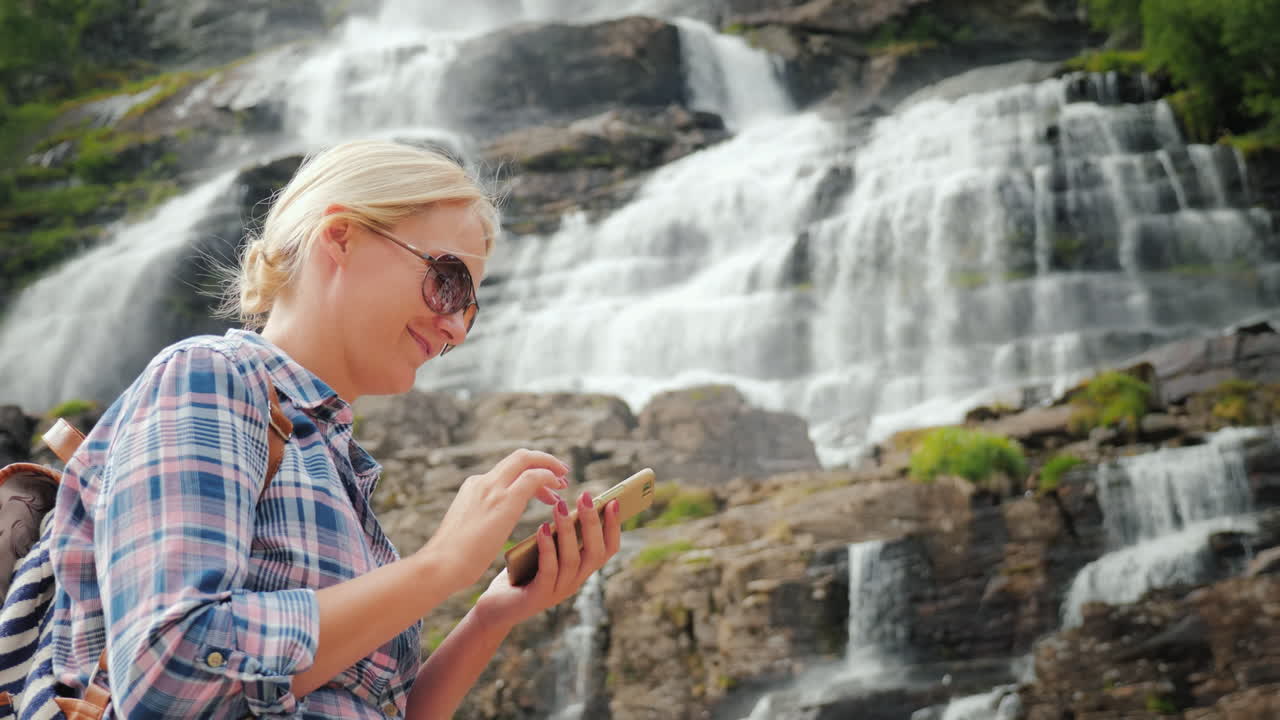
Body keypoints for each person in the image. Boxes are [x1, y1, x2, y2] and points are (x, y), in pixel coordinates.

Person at [47, 139, 622, 719]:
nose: (455, 329)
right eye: (448, 282)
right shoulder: (210, 376)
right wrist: (440, 566)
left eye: (469, 308)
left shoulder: (332, 462)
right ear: (341, 236)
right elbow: (166, 676)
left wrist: (489, 616)